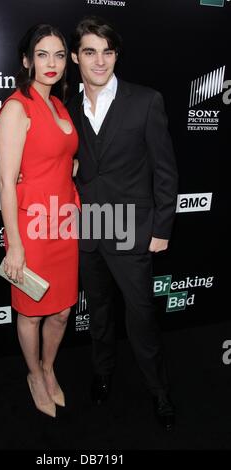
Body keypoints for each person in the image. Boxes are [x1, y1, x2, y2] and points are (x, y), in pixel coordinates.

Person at [67, 16, 179, 431]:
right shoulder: (67, 106)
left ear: (116, 55)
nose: (100, 61)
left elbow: (166, 170)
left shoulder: (145, 100)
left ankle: (159, 391)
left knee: (141, 316)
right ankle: (103, 372)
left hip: (133, 230)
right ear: (76, 56)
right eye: (91, 51)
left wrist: (162, 229)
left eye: (108, 51)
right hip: (88, 226)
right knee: (98, 311)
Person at [0, 24, 80, 418]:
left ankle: (49, 367)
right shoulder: (17, 107)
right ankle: (33, 373)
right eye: (42, 54)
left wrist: (69, 166)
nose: (52, 63)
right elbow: (6, 183)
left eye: (59, 55)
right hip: (31, 230)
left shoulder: (59, 105)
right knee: (31, 312)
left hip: (64, 225)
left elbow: (57, 157)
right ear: (27, 60)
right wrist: (15, 245)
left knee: (62, 311)